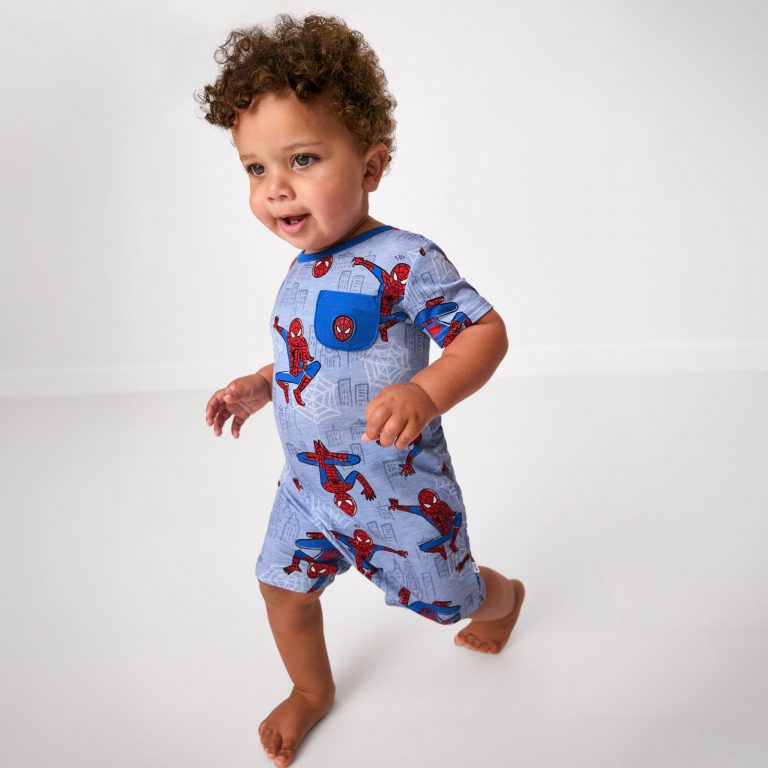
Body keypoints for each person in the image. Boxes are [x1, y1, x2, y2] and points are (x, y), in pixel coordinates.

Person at [198, 14, 525, 768]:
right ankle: (311, 690)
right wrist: (260, 384)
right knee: (282, 589)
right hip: (309, 487)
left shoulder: (404, 259)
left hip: (396, 490)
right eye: (255, 168)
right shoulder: (303, 267)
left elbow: (485, 332)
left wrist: (427, 391)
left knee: (450, 599)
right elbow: (307, 358)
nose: (276, 188)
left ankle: (503, 596)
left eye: (302, 159)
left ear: (371, 166)